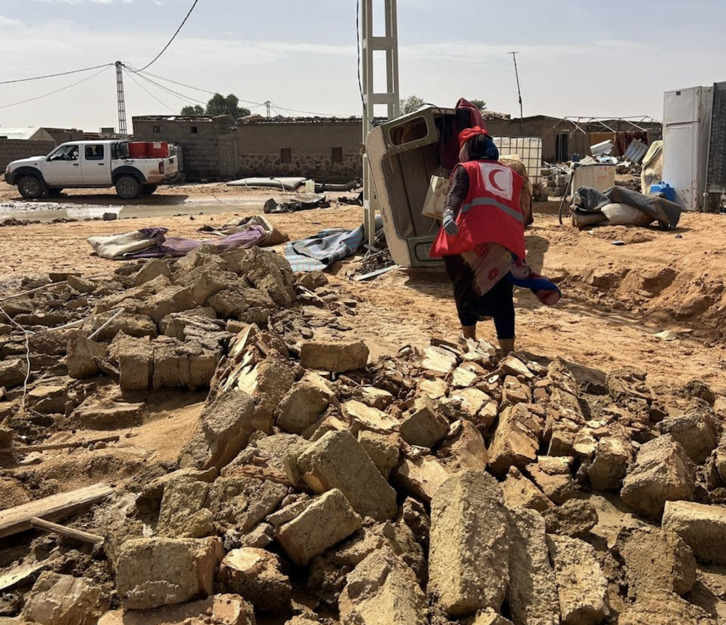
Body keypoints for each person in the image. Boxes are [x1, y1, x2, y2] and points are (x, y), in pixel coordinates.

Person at [430, 126, 559, 357]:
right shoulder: (511, 174)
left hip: (473, 243)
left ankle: (469, 339)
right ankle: (507, 351)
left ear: (468, 149)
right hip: (505, 245)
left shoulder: (466, 168)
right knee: (502, 298)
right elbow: (522, 207)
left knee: (466, 289)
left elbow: (456, 192)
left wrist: (449, 213)